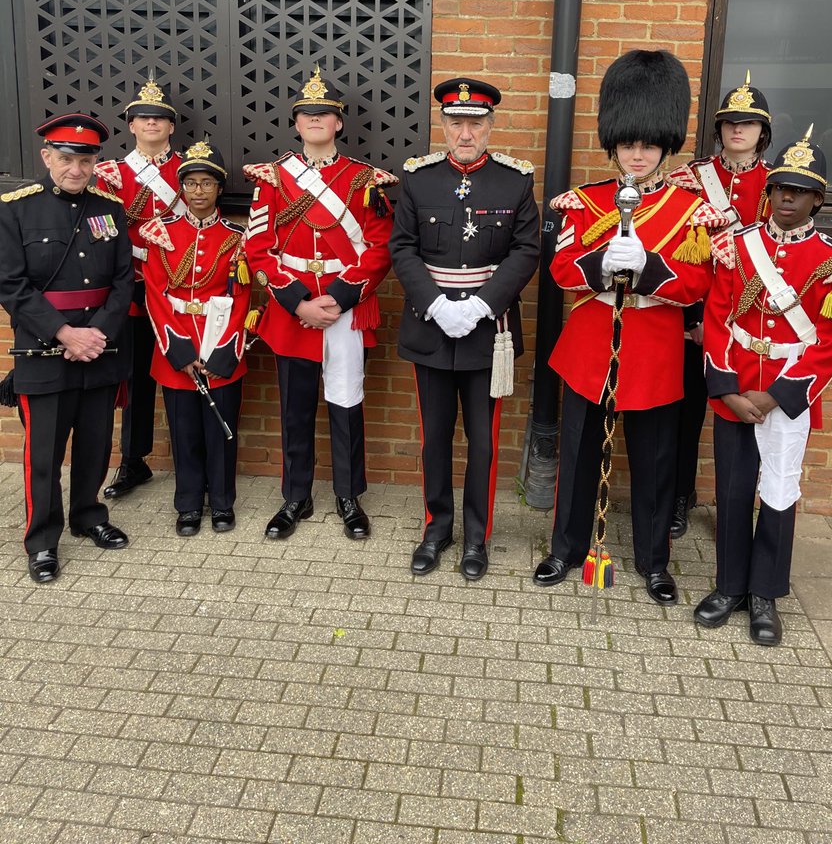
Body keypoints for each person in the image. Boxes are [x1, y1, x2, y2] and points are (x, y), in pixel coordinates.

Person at [533, 50, 728, 605]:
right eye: (627, 144)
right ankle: (565, 548)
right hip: (592, 342)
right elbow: (562, 268)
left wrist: (651, 271)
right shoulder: (586, 201)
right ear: (613, 143)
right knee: (577, 455)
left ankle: (654, 560)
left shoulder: (690, 210)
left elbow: (697, 283)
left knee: (656, 459)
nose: (637, 154)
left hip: (655, 346)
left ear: (665, 145)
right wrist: (600, 266)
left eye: (647, 144)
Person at [698, 128, 832, 646]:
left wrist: (777, 395)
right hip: (737, 382)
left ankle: (766, 592)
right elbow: (717, 318)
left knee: (777, 490)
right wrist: (727, 388)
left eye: (799, 191)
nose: (787, 199)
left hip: (787, 391)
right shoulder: (738, 246)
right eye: (779, 189)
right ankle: (730, 586)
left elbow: (831, 343)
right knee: (731, 489)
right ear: (769, 191)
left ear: (818, 198)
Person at [390, 78, 540, 581]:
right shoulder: (418, 178)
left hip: (487, 329)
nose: (466, 132)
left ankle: (477, 535)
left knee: (483, 440)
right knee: (435, 436)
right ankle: (437, 528)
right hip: (431, 326)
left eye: (476, 122)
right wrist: (435, 304)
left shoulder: (515, 181)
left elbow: (526, 251)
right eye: (456, 122)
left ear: (490, 125)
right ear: (444, 126)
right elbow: (403, 248)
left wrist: (480, 304)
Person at [243, 67, 396, 542]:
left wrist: (342, 295)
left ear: (338, 124)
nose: (315, 120)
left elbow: (380, 245)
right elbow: (258, 247)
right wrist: (298, 302)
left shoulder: (364, 179)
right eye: (307, 114)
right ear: (296, 123)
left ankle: (349, 496)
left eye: (324, 114)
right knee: (296, 407)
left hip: (344, 307)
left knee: (346, 403)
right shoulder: (271, 178)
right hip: (295, 311)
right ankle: (295, 496)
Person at [0, 112, 134, 583]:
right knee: (44, 453)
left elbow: (123, 280)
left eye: (85, 160)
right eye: (65, 159)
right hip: (44, 348)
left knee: (96, 444)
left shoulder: (109, 208)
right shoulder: (14, 208)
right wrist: (64, 333)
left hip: (100, 347)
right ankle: (41, 540)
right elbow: (10, 285)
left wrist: (97, 333)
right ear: (47, 157)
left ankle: (89, 516)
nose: (76, 169)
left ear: (96, 160)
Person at [666, 72, 772, 538]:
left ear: (762, 133)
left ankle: (737, 509)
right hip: (690, 315)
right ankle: (678, 496)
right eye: (730, 122)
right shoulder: (689, 178)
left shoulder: (777, 185)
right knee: (682, 413)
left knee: (740, 420)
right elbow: (670, 247)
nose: (737, 130)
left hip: (748, 322)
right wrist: (693, 320)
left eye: (747, 123)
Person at [141, 141, 251, 536]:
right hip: (177, 345)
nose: (199, 191)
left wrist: (224, 349)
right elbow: (155, 293)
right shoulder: (161, 234)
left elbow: (242, 298)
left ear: (220, 188)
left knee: (221, 431)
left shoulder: (237, 237)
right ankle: (188, 504)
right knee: (184, 430)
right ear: (182, 188)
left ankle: (222, 502)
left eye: (207, 183)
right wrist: (180, 351)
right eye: (191, 183)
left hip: (221, 344)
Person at [94, 78, 185, 499]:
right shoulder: (112, 174)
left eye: (160, 118)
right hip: (132, 282)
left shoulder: (189, 170)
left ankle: (193, 459)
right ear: (131, 126)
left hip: (182, 283)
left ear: (171, 126)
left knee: (185, 369)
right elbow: (101, 230)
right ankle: (133, 460)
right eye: (144, 118)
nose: (152, 123)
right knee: (135, 375)